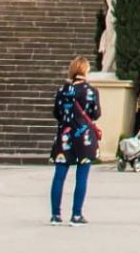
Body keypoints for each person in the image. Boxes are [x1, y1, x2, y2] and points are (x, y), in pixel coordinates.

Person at [49, 57, 101, 226]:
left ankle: (55, 215)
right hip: (84, 137)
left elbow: (56, 113)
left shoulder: (62, 90)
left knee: (59, 176)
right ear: (86, 71)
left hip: (64, 136)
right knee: (81, 177)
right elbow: (96, 114)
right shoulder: (91, 91)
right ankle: (76, 215)